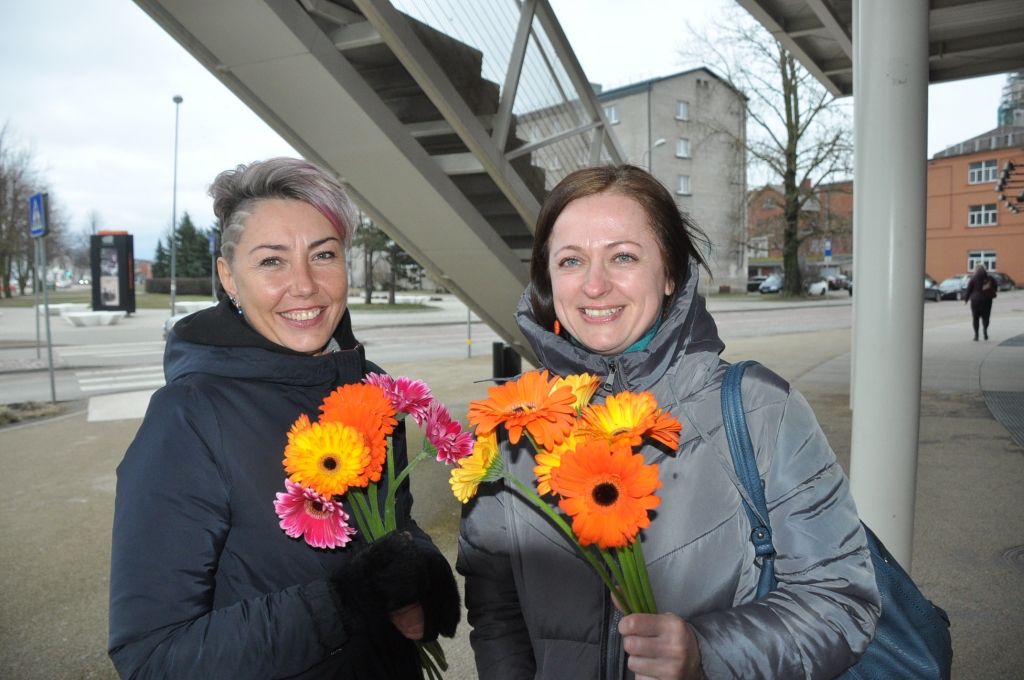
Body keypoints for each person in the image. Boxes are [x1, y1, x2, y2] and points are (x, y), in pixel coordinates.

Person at [457, 165, 880, 680]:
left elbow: (841, 602)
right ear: (548, 280)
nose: (594, 285)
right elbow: (496, 609)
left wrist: (709, 651)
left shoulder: (760, 410)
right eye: (571, 261)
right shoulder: (512, 433)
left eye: (623, 257)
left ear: (671, 274)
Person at [109, 158, 459, 679]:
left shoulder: (371, 387)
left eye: (324, 254)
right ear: (229, 277)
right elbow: (153, 656)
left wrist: (420, 574)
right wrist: (341, 603)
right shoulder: (190, 417)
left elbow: (394, 526)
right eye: (272, 261)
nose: (305, 285)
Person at [964, 264, 995, 341]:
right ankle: (985, 330)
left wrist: (966, 299)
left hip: (975, 300)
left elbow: (969, 289)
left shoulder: (973, 278)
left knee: (975, 318)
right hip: (987, 299)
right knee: (986, 317)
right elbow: (995, 286)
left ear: (976, 269)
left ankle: (976, 335)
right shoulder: (989, 278)